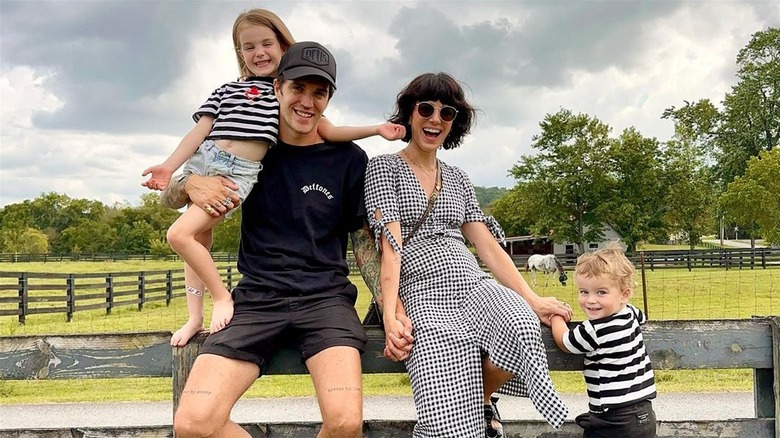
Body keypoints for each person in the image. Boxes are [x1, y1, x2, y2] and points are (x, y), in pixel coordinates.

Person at [141, 8, 403, 347]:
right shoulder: (229, 92)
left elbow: (333, 131)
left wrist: (377, 130)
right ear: (240, 54)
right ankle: (195, 316)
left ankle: (221, 298)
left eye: (267, 43)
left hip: (238, 181)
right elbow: (196, 139)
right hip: (205, 166)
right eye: (248, 47)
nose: (259, 53)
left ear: (283, 48)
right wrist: (177, 174)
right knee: (195, 239)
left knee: (184, 235)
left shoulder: (301, 120)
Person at [363, 72, 572, 437]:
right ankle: (462, 420)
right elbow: (390, 247)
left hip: (471, 281)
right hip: (422, 290)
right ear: (409, 114)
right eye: (426, 108)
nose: (435, 119)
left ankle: (479, 403)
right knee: (442, 372)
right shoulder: (384, 167)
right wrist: (391, 312)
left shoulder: (458, 177)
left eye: (447, 114)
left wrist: (533, 298)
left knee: (521, 323)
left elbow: (488, 246)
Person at [549, 243, 657, 438]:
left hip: (614, 418)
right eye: (584, 292)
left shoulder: (595, 329)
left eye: (601, 292)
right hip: (644, 413)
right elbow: (642, 317)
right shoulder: (630, 312)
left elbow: (565, 342)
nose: (590, 300)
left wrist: (555, 317)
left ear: (624, 294)